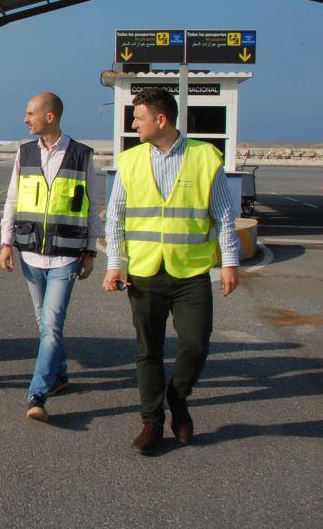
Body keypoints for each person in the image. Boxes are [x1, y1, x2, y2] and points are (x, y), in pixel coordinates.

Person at [102, 86, 240, 455]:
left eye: (139, 117)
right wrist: (115, 263)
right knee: (148, 351)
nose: (134, 123)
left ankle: (177, 398)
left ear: (161, 119)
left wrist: (230, 261)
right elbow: (115, 217)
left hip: (191, 273)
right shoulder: (129, 161)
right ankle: (152, 422)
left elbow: (225, 214)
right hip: (144, 272)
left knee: (196, 344)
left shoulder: (205, 157)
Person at [0, 92, 102, 422]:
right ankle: (59, 374)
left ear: (50, 116)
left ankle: (37, 393)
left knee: (52, 324)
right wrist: (5, 243)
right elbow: (12, 201)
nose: (25, 119)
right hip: (31, 254)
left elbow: (93, 209)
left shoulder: (82, 155)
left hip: (66, 256)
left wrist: (90, 252)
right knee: (44, 322)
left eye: (30, 113)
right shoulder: (24, 152)